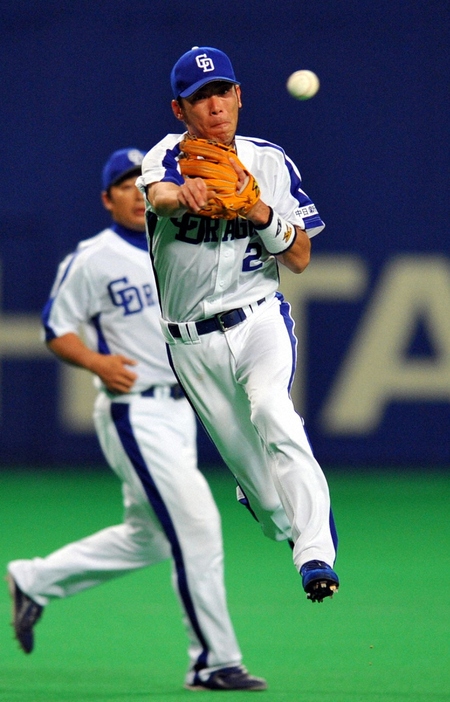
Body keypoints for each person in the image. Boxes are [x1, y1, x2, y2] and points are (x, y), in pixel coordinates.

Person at [6, 148, 267, 693]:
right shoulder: (94, 257)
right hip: (135, 411)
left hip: (183, 409)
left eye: (138, 182)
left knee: (147, 537)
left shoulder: (180, 242)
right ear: (107, 199)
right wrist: (97, 361)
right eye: (122, 184)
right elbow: (57, 327)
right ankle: (214, 661)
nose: (132, 191)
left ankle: (33, 580)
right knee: (196, 524)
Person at [136, 46, 339, 605]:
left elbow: (298, 259)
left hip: (258, 319)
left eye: (222, 91)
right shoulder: (165, 159)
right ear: (180, 110)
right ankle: (274, 510)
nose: (215, 105)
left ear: (239, 96)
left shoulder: (269, 162)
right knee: (272, 510)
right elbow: (162, 197)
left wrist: (259, 213)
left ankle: (316, 553)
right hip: (192, 342)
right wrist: (186, 196)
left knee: (275, 410)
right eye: (200, 98)